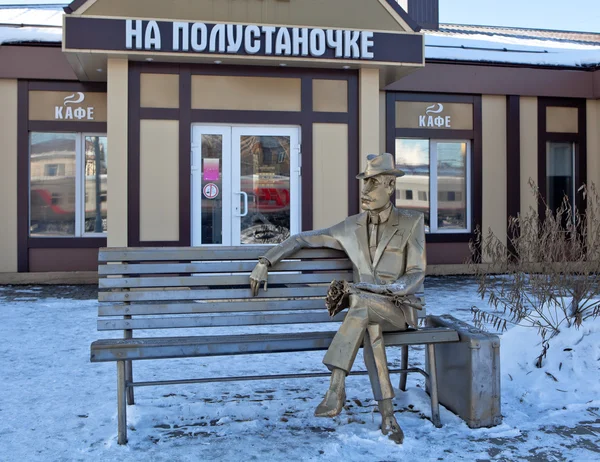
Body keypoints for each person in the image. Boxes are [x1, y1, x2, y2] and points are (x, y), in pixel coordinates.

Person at [249, 153, 426, 444]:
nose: (365, 192)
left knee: (360, 307)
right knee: (366, 320)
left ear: (391, 186)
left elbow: (417, 271)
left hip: (397, 309)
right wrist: (266, 261)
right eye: (363, 184)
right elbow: (302, 238)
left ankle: (336, 386)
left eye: (373, 184)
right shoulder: (350, 227)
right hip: (365, 311)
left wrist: (393, 289)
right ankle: (387, 416)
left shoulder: (411, 222)